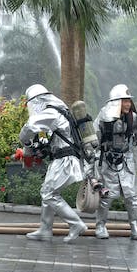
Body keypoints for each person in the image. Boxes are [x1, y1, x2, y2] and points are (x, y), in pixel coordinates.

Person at [20, 84, 88, 243]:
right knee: (47, 192)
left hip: (64, 159)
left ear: (37, 101)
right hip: (60, 158)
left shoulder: (51, 112)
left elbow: (29, 126)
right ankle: (45, 229)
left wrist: (24, 142)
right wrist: (32, 150)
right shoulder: (58, 111)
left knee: (49, 193)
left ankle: (76, 224)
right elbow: (45, 140)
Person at [93, 84, 137, 240]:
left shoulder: (133, 118)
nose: (128, 104)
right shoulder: (103, 117)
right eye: (125, 101)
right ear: (116, 102)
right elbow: (95, 140)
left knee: (132, 198)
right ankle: (100, 226)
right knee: (106, 197)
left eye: (129, 101)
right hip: (108, 162)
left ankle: (134, 226)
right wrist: (93, 164)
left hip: (126, 161)